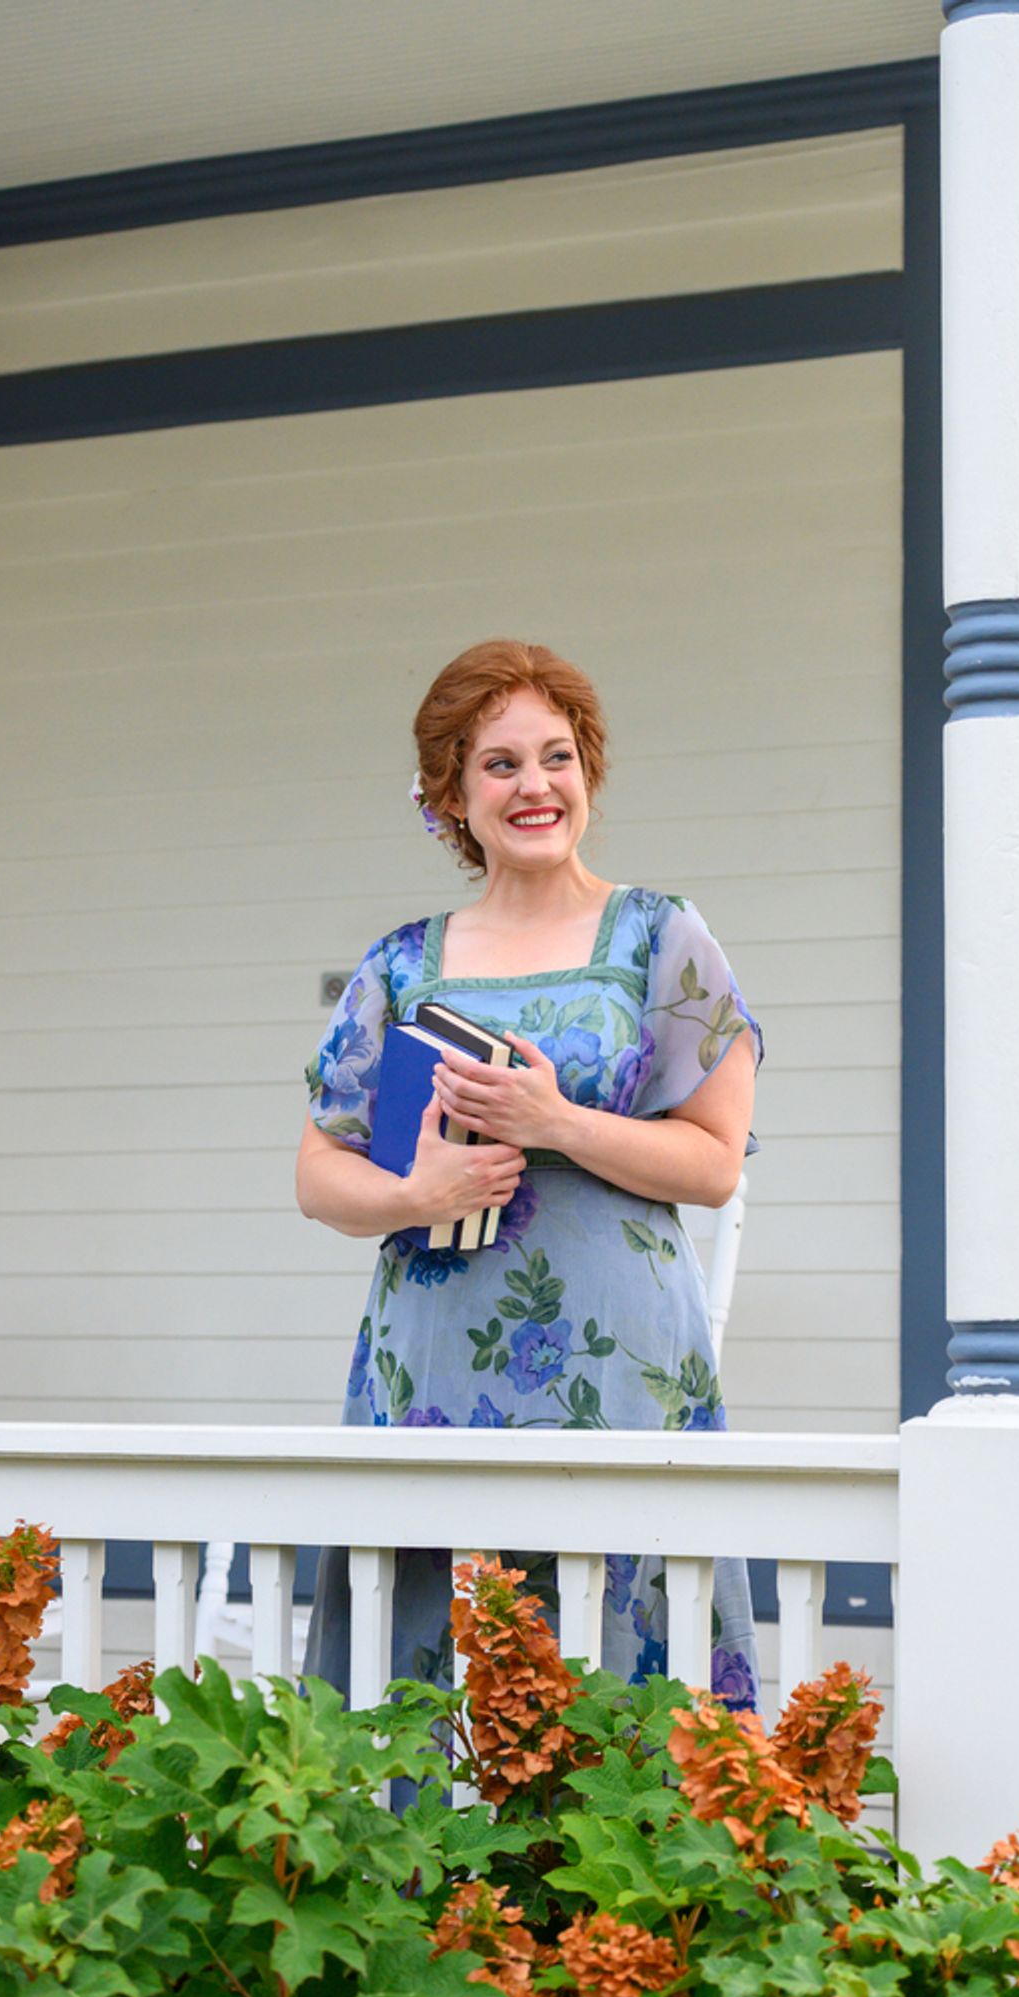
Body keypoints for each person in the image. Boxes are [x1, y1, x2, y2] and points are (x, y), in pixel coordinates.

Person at [296, 638, 762, 1706]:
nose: (534, 785)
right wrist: (411, 1197)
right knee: (424, 1655)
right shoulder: (400, 964)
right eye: (498, 764)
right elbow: (319, 1170)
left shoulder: (661, 938)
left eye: (556, 756)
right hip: (432, 1367)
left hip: (618, 1369)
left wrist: (556, 1121)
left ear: (587, 772)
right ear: (449, 796)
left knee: (625, 1647)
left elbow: (712, 1164)